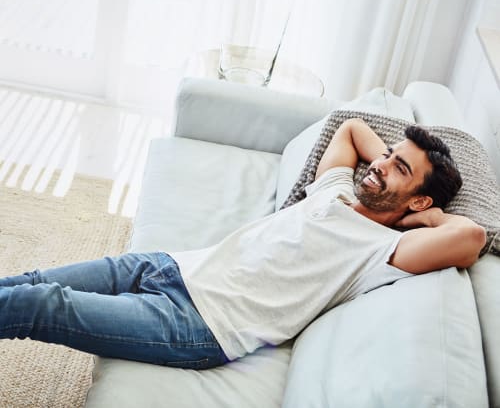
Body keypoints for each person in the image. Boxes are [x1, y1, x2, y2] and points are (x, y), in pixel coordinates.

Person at [0, 119, 486, 369]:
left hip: (197, 326)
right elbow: (351, 130)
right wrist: (395, 159)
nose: (379, 164)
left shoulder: (380, 251)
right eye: (387, 155)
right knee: (35, 280)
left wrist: (433, 215)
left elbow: (472, 237)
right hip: (173, 267)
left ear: (420, 201)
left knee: (44, 303)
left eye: (399, 168)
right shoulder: (334, 189)